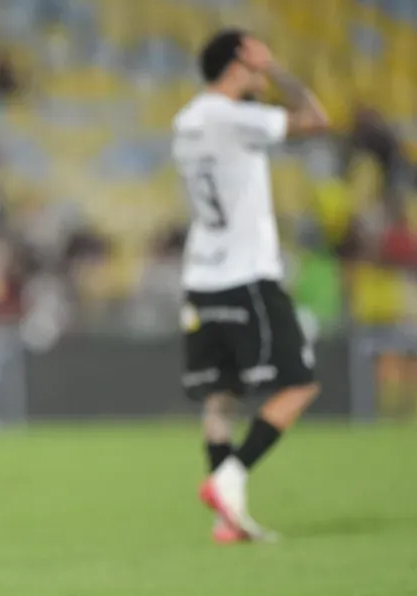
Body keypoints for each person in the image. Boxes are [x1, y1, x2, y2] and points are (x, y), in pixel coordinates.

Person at [172, 30, 328, 543]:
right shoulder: (236, 118)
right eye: (256, 55)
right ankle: (229, 479)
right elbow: (317, 119)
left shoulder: (188, 119)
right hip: (246, 274)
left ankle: (227, 520)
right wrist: (279, 70)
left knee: (221, 395)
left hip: (201, 276)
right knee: (300, 382)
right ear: (241, 61)